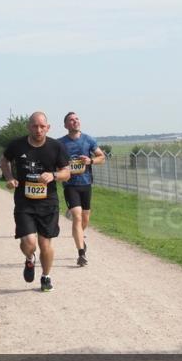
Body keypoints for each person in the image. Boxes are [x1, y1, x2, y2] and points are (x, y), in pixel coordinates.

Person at [0, 112, 69, 292]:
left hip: (48, 203)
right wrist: (9, 177)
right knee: (30, 243)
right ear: (28, 127)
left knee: (45, 244)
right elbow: (4, 160)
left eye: (42, 126)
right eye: (34, 126)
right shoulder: (17, 145)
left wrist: (53, 175)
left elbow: (66, 172)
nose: (38, 130)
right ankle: (29, 258)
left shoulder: (56, 147)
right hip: (24, 202)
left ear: (48, 127)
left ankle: (46, 277)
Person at [59, 112, 106, 266]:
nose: (75, 121)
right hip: (70, 185)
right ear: (66, 125)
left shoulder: (88, 140)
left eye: (77, 119)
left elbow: (102, 157)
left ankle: (79, 237)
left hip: (86, 184)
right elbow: (53, 161)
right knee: (77, 217)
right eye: (71, 120)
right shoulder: (60, 143)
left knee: (84, 219)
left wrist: (90, 160)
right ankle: (81, 253)